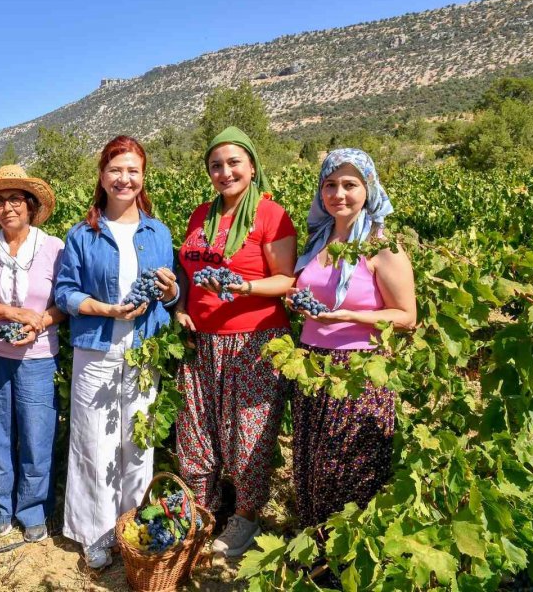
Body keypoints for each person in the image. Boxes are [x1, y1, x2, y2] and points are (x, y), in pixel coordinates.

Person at [55, 136, 180, 569]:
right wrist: (105, 308)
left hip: (144, 352)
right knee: (95, 443)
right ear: (102, 176)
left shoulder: (158, 231)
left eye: (133, 170)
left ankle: (135, 527)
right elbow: (65, 292)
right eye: (116, 169)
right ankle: (96, 533)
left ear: (143, 177)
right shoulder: (81, 235)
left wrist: (171, 291)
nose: (124, 178)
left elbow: (171, 293)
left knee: (137, 442)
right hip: (97, 350)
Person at [174, 126, 297, 557]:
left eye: (233, 163)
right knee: (195, 432)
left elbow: (286, 279)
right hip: (201, 342)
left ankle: (245, 518)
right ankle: (199, 513)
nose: (225, 172)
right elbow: (188, 271)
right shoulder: (200, 215)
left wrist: (244, 287)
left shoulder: (271, 214)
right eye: (216, 165)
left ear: (252, 165)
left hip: (254, 341)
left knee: (247, 437)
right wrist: (182, 306)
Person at [288, 148, 416, 527]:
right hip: (311, 364)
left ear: (368, 188)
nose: (338, 194)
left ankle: (346, 557)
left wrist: (349, 316)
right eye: (330, 185)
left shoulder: (382, 246)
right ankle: (315, 544)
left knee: (349, 464)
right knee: (312, 459)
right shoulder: (318, 241)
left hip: (358, 371)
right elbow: (311, 293)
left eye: (350, 184)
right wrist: (297, 302)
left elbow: (407, 317)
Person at [0, 164, 64, 543]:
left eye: (16, 199)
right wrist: (8, 312)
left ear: (31, 205)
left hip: (38, 357)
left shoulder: (54, 248)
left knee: (38, 435)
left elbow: (63, 304)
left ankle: (33, 509)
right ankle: (2, 508)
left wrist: (39, 322)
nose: (8, 207)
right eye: (0, 201)